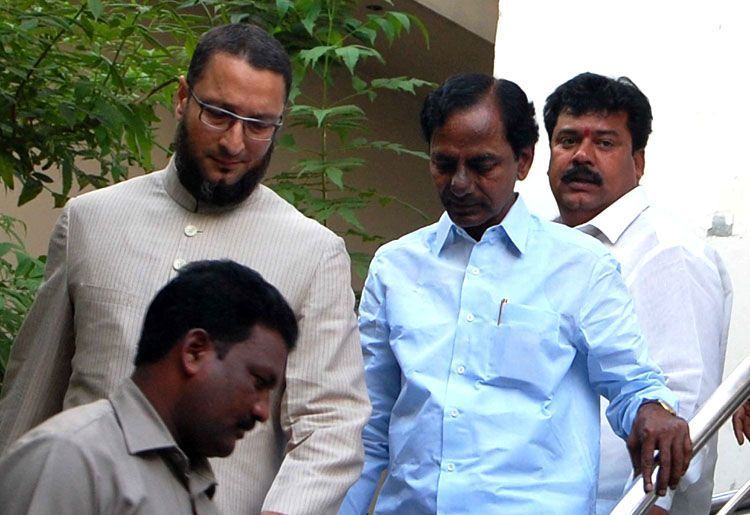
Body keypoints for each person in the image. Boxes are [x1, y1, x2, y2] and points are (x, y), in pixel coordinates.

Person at [0, 23, 370, 515]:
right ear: (181, 98)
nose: (234, 143)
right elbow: (31, 393)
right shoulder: (91, 220)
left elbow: (330, 426)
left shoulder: (313, 252)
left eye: (258, 125)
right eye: (218, 114)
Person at [340, 73, 691, 515]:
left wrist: (652, 410)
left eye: (482, 165)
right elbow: (367, 427)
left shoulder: (582, 266)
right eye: (444, 164)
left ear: (523, 161)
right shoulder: (395, 267)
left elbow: (632, 382)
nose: (459, 183)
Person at [545, 72, 733, 515]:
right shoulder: (538, 250)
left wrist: (652, 504)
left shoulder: (669, 253)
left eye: (605, 143)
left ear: (639, 161)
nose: (582, 156)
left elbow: (684, 405)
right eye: (568, 140)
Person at [0, 259, 297, 515]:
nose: (262, 411)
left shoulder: (191, 483)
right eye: (258, 382)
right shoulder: (71, 459)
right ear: (195, 351)